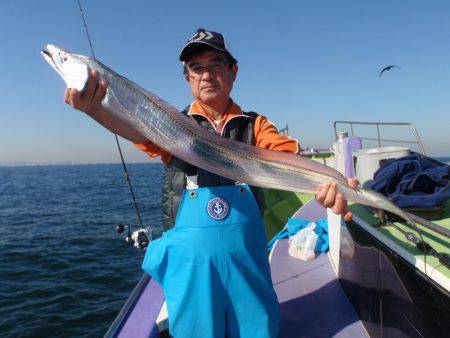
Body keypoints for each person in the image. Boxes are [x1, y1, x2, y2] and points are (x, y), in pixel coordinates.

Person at [64, 28, 357, 338]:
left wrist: (330, 182)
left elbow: (284, 156)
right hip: (191, 273)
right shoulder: (172, 126)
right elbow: (136, 129)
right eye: (196, 68)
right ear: (188, 78)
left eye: (216, 64)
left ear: (233, 71)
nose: (206, 74)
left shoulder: (254, 125)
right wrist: (95, 109)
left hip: (248, 267)